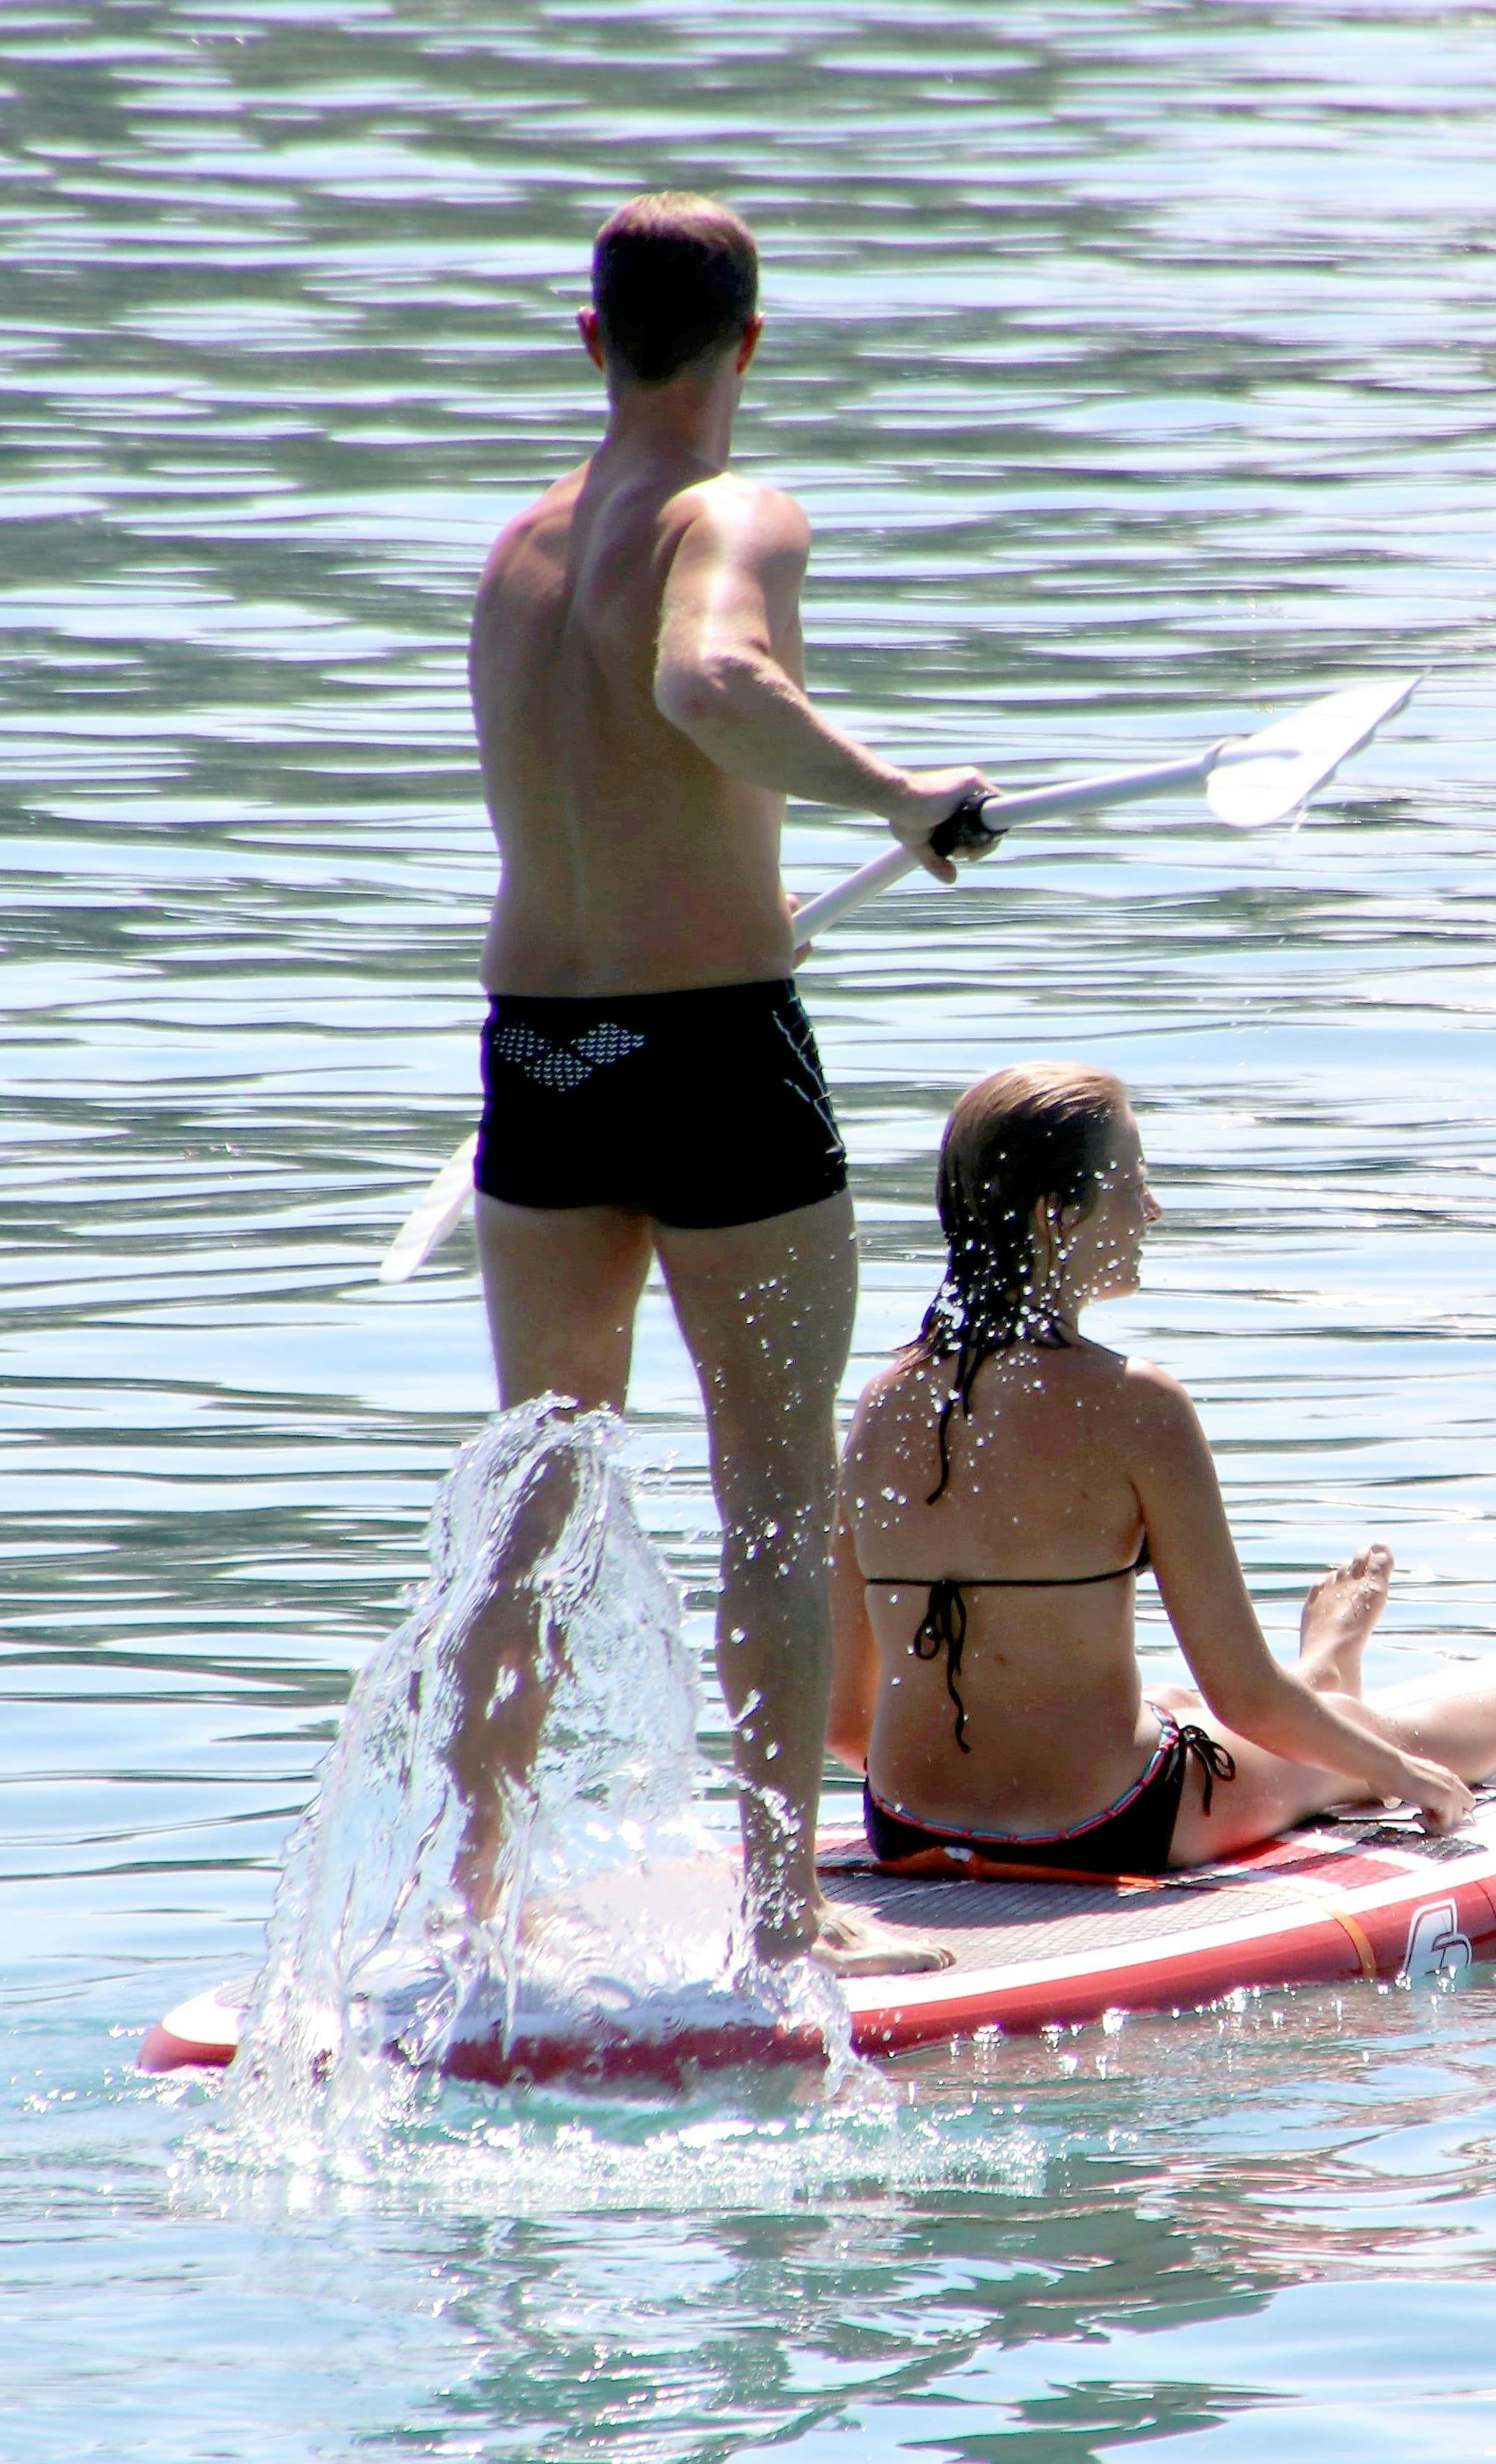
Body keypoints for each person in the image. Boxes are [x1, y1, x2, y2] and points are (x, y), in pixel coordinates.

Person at [456, 191, 992, 1970]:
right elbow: (707, 677)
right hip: (706, 1060)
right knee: (769, 1487)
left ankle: (469, 1906)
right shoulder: (733, 511)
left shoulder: (516, 551)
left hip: (540, 1054)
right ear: (750, 342)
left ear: (587, 338)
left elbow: (618, 801)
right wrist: (901, 797)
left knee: (537, 1485)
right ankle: (783, 1920)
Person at [828, 1065, 1496, 1877]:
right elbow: (1243, 1695)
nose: (1152, 1209)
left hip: (905, 1822)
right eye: (1133, 1185)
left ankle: (1315, 1675)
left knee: (1174, 1704)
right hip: (1104, 1824)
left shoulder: (880, 1402)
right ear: (1056, 1214)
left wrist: (979, 1782)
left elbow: (841, 1721)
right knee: (1364, 1734)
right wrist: (1396, 1774)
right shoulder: (1138, 1404)